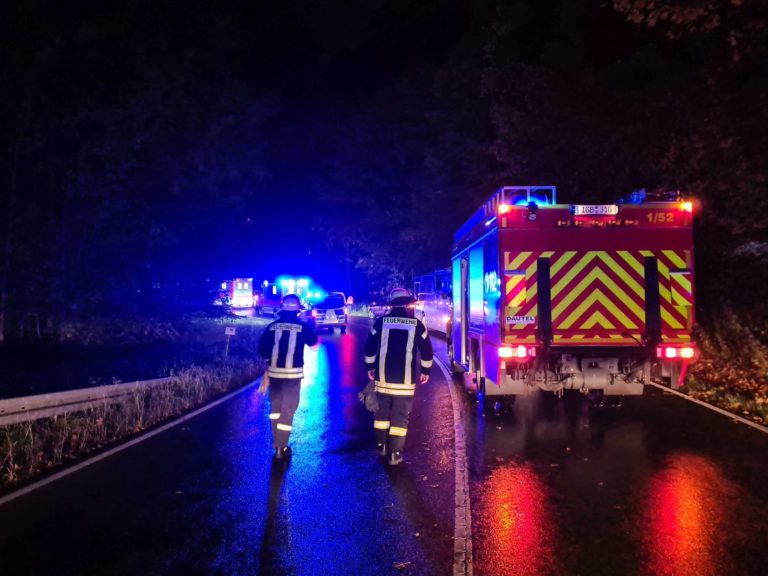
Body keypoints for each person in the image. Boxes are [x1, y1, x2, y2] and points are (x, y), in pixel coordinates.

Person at [364, 287, 434, 466]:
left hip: (383, 379)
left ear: (392, 304)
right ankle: (395, 453)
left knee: (381, 414)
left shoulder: (380, 323)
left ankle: (381, 446)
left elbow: (370, 348)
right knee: (400, 417)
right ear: (407, 304)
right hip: (405, 382)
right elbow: (426, 351)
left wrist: (370, 367)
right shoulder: (417, 324)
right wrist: (426, 371)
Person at [258, 293, 318, 460]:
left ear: (282, 308)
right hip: (293, 376)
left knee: (275, 409)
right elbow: (313, 341)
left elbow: (263, 349)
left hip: (274, 374)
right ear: (298, 310)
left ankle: (277, 441)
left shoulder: (272, 326)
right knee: (288, 409)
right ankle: (281, 447)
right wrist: (305, 323)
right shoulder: (302, 326)